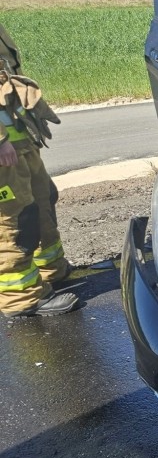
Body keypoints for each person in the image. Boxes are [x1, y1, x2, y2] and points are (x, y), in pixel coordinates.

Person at [0, 23, 78, 318]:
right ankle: (20, 297)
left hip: (20, 141)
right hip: (4, 150)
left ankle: (51, 271)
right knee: (14, 219)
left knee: (43, 201)